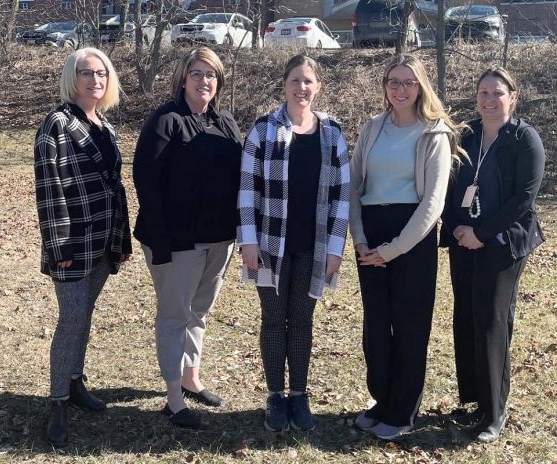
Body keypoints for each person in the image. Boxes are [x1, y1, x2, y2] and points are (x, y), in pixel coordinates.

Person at [349, 55, 466, 440]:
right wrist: (362, 241)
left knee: (411, 326)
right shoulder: (372, 129)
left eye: (408, 83)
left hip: (412, 238)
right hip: (371, 235)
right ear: (385, 86)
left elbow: (433, 203)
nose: (400, 89)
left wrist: (394, 249)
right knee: (377, 327)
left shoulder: (434, 133)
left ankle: (403, 412)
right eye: (393, 82)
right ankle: (382, 401)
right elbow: (353, 188)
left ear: (421, 87)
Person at [237, 54, 350, 432]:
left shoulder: (332, 134)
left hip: (313, 246)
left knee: (301, 322)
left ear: (318, 87)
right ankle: (275, 397)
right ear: (284, 84)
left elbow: (342, 196)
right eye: (294, 81)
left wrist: (336, 247)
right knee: (272, 321)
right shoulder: (262, 131)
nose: (301, 88)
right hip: (269, 246)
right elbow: (247, 190)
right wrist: (248, 242)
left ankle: (299, 396)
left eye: (308, 81)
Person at [133, 47, 243, 429]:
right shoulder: (166, 121)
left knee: (199, 310)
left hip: (219, 240)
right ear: (183, 78)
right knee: (174, 314)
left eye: (211, 74)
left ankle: (191, 376)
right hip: (178, 241)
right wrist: (161, 242)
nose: (204, 81)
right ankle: (174, 398)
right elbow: (147, 183)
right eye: (196, 74)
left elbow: (240, 182)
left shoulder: (226, 122)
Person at [440, 66, 545, 443]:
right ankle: (473, 398)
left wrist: (482, 234)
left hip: (503, 243)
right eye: (483, 92)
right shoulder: (465, 134)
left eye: (497, 93)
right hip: (462, 239)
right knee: (465, 315)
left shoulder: (523, 139)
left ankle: (494, 411)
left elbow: (523, 199)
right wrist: (455, 227)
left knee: (491, 320)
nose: (488, 99)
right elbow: (448, 184)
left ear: (512, 98)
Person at [34, 47, 132, 447]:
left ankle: (75, 382)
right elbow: (49, 191)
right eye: (87, 73)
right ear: (72, 78)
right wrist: (58, 247)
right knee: (71, 319)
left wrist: (121, 238)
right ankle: (57, 400)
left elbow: (115, 187)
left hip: (102, 239)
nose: (95, 81)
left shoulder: (103, 124)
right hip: (71, 242)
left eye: (102, 74)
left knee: (85, 315)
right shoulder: (56, 124)